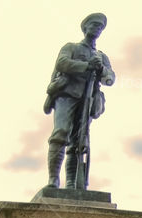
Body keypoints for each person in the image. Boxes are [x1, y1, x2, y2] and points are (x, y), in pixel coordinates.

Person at [44, 12, 115, 189]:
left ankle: (71, 182)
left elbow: (111, 78)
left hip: (87, 100)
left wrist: (101, 70)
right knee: (60, 133)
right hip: (67, 95)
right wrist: (86, 65)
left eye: (100, 27)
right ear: (85, 28)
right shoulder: (71, 47)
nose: (97, 29)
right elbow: (62, 63)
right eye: (93, 25)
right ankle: (53, 179)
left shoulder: (101, 56)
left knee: (79, 142)